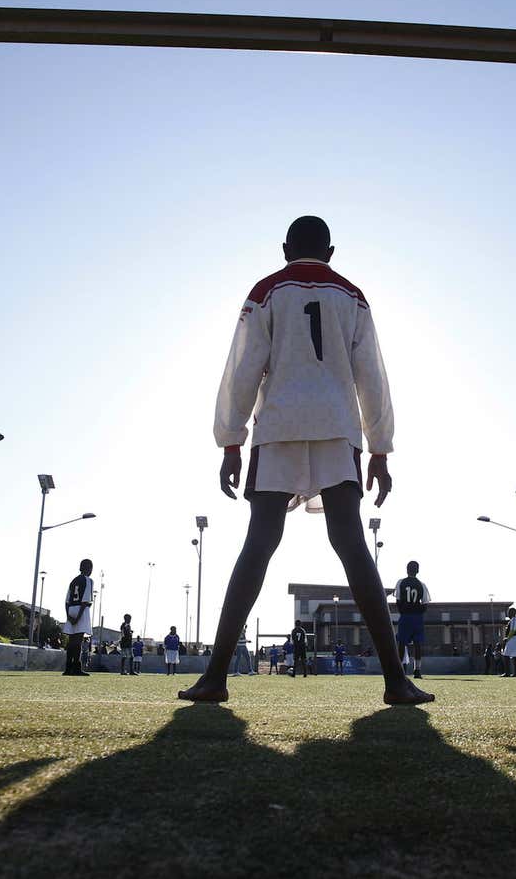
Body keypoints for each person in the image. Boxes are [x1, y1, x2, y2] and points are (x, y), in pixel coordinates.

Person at [178, 216, 431, 706]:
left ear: (285, 248)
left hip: (278, 427)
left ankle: (215, 677)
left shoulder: (267, 290)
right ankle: (395, 682)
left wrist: (231, 441)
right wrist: (380, 449)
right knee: (352, 544)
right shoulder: (352, 295)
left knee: (259, 543)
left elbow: (244, 366)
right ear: (331, 251)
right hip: (337, 429)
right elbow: (372, 376)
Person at [391, 560, 430, 680]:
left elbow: (397, 600)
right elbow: (425, 603)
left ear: (407, 570)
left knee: (402, 643)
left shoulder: (401, 582)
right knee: (417, 644)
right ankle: (417, 670)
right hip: (417, 617)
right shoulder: (421, 585)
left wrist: (403, 611)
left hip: (405, 616)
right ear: (417, 570)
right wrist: (418, 612)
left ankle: (400, 671)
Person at [62, 559, 95, 677]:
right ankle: (76, 667)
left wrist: (69, 617)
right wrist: (78, 617)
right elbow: (85, 601)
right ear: (89, 569)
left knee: (71, 641)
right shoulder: (88, 580)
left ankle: (67, 668)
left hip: (71, 609)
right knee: (78, 641)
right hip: (81, 610)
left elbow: (66, 601)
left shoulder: (73, 581)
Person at [500, 607, 516, 678]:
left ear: (513, 613)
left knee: (506, 655)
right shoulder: (514, 620)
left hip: (513, 638)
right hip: (515, 638)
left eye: (509, 612)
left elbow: (512, 630)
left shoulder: (513, 620)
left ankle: (507, 673)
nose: (508, 613)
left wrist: (507, 638)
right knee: (515, 656)